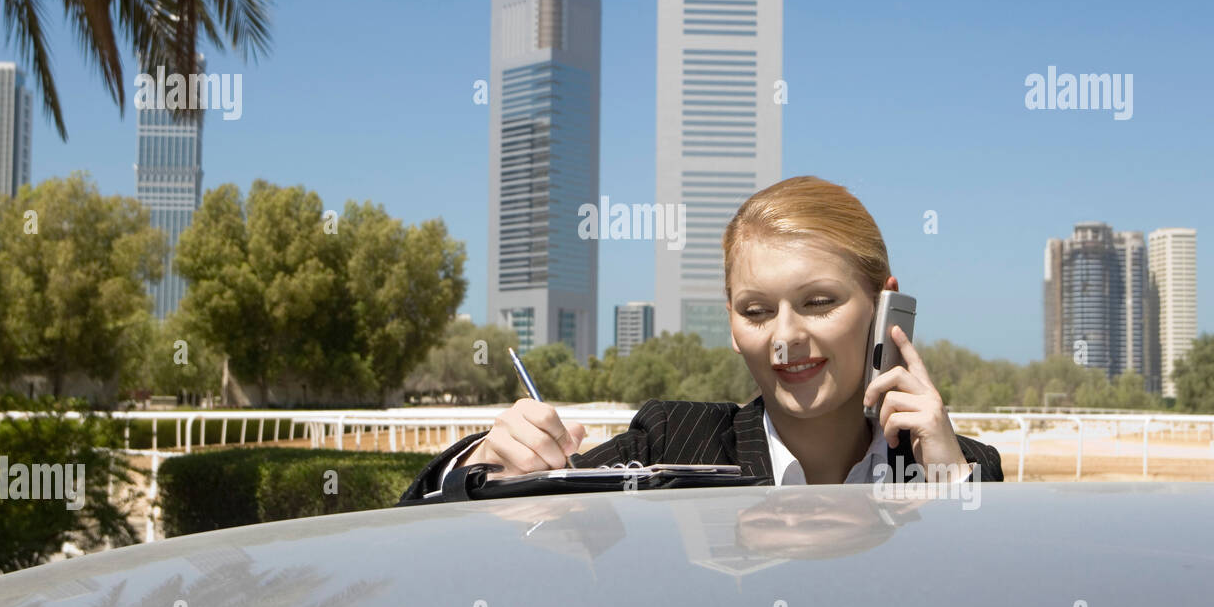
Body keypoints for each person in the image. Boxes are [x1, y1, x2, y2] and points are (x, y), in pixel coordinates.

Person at [399, 175, 1002, 502]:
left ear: (885, 303)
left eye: (819, 302)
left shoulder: (965, 468)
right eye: (757, 310)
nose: (785, 339)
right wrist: (484, 463)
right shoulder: (675, 441)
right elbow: (439, 524)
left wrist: (949, 489)